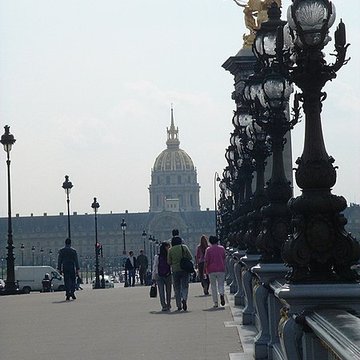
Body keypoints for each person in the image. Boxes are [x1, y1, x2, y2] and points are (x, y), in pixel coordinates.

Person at [167, 229, 193, 311]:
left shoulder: (170, 250)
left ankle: (179, 305)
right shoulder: (184, 247)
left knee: (177, 287)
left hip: (175, 270)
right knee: (185, 286)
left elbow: (169, 262)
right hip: (184, 269)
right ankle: (184, 299)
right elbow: (190, 257)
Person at [204, 235, 226, 308]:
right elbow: (224, 257)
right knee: (221, 284)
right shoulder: (222, 248)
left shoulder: (208, 250)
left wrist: (205, 269)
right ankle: (222, 293)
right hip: (221, 268)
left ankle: (216, 302)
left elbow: (206, 260)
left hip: (211, 269)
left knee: (213, 286)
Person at [152, 242, 172, 311]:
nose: (169, 248)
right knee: (168, 290)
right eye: (168, 246)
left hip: (159, 275)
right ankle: (168, 304)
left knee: (161, 291)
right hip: (168, 274)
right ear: (166, 247)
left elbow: (155, 266)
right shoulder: (169, 255)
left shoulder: (157, 256)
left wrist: (153, 277)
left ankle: (163, 305)